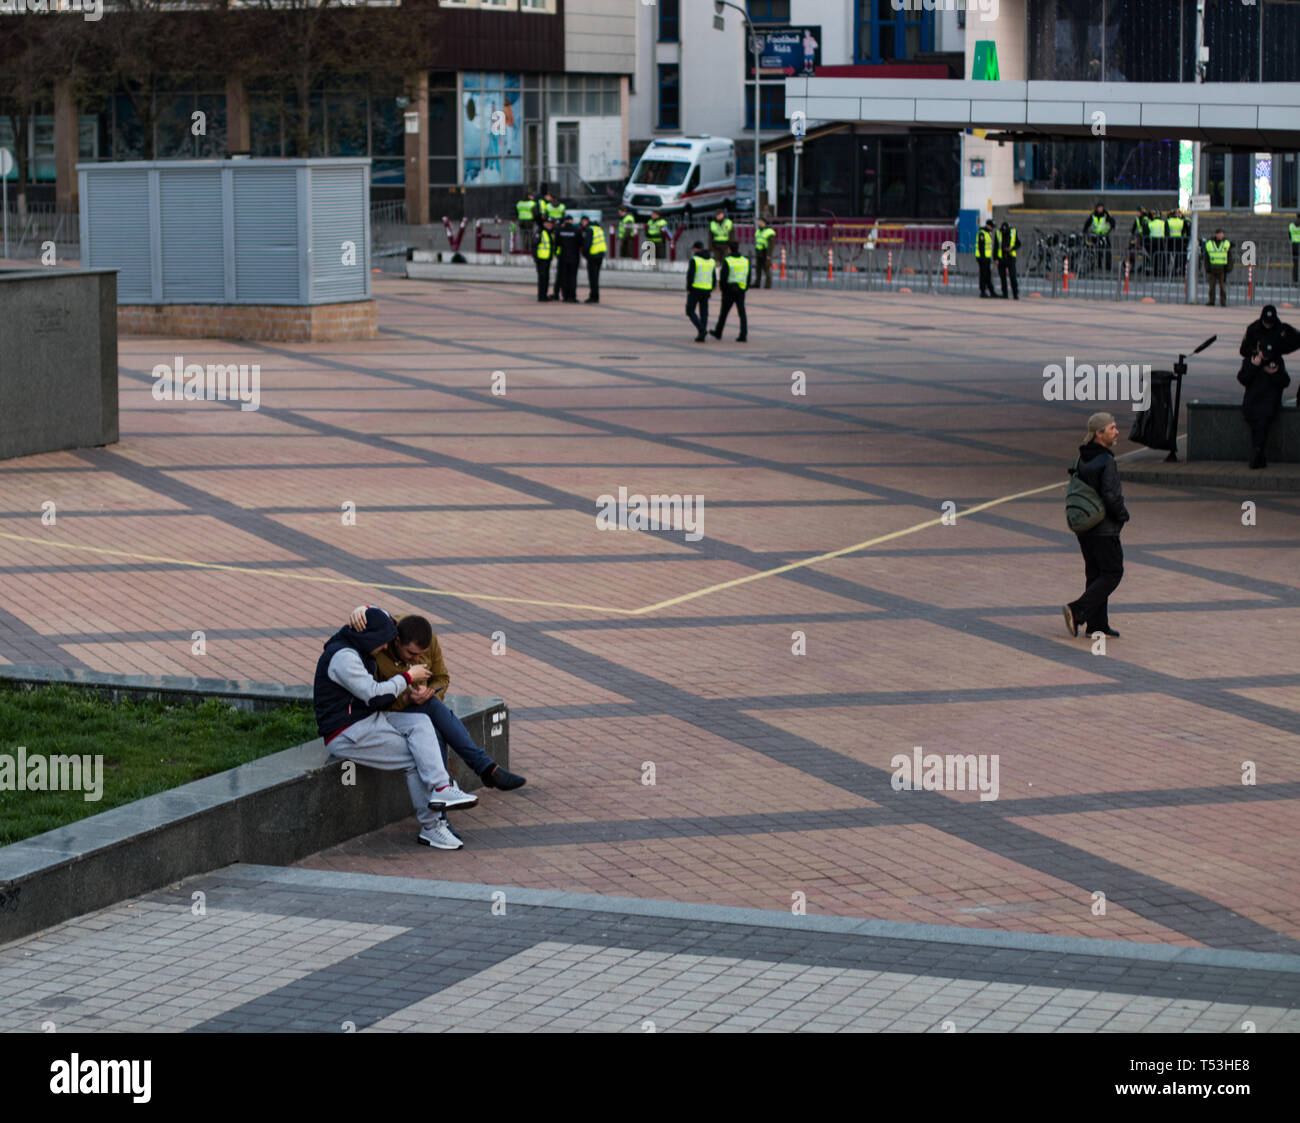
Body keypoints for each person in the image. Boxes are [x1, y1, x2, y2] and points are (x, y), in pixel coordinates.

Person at [313, 607, 476, 852]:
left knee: (421, 722)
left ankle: (442, 788)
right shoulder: (343, 658)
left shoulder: (359, 641)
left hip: (368, 720)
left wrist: (365, 608)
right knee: (413, 757)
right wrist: (408, 677)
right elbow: (374, 695)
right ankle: (431, 827)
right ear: (371, 638)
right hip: (346, 732)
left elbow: (384, 618)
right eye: (382, 644)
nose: (384, 649)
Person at [350, 606, 526, 798]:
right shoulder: (379, 647)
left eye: (420, 654)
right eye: (411, 654)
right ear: (397, 641)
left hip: (422, 710)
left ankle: (442, 812)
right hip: (387, 713)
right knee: (432, 715)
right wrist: (408, 698)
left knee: (434, 727)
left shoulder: (427, 639)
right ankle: (484, 770)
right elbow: (375, 698)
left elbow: (441, 677)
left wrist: (430, 692)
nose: (416, 659)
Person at [1063, 413, 1129, 640]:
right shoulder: (1106, 461)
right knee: (1112, 572)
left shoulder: (1082, 458)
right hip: (1103, 528)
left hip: (1085, 526)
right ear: (1099, 433)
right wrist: (1123, 515)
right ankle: (1078, 610)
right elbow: (1111, 496)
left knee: (1095, 574)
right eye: (1112, 428)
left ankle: (1097, 625)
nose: (1117, 431)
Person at [1237, 343, 1290, 470]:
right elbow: (1243, 378)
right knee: (1256, 428)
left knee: (1262, 425)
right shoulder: (1250, 361)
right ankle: (1259, 456)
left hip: (1269, 403)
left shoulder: (1277, 361)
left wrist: (1274, 373)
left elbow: (1285, 381)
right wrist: (1254, 366)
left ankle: (1257, 455)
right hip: (1252, 402)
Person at [710, 249, 749, 342]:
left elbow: (724, 277)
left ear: (729, 249)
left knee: (723, 313)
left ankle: (718, 332)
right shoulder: (745, 260)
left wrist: (723, 290)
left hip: (729, 290)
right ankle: (743, 334)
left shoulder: (728, 261)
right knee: (742, 313)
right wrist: (745, 287)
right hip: (741, 289)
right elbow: (748, 275)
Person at [685, 241, 715, 342]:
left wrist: (688, 288)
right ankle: (701, 334)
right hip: (706, 289)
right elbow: (714, 276)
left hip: (695, 288)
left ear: (697, 249)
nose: (693, 250)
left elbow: (690, 275)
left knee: (689, 310)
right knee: (704, 312)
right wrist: (712, 287)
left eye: (694, 248)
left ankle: (701, 330)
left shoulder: (695, 260)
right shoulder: (711, 260)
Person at [579, 215, 606, 303]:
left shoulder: (589, 230)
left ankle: (593, 297)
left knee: (592, 278)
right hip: (600, 255)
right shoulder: (599, 229)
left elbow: (587, 245)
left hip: (592, 256)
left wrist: (585, 255)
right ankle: (596, 296)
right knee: (596, 277)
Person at [555, 213, 581, 303]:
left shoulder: (560, 230)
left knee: (563, 277)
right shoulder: (576, 230)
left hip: (563, 257)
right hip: (574, 257)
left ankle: (565, 296)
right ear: (572, 221)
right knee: (572, 277)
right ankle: (572, 296)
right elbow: (580, 243)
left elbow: (556, 243)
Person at [1205, 228, 1231, 307]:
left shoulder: (1226, 243)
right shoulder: (1209, 243)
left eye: (1222, 233)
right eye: (1220, 233)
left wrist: (1229, 268)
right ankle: (1211, 301)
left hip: (1222, 268)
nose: (1221, 235)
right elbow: (1206, 257)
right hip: (1212, 267)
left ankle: (1223, 302)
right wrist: (1207, 268)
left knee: (1222, 286)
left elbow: (1229, 257)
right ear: (1216, 234)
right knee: (1211, 286)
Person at [1083, 203, 1113, 272]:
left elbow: (1111, 221)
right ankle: (1098, 265)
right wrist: (1085, 231)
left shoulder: (1106, 215)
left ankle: (1108, 266)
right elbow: (1087, 223)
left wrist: (1112, 227)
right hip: (1095, 235)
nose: (1100, 209)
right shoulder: (1093, 215)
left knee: (1107, 251)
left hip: (1104, 235)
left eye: (1101, 208)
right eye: (1099, 208)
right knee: (1096, 251)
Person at [534, 217, 555, 302]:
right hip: (541, 259)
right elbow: (534, 246)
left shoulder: (550, 233)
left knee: (546, 278)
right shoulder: (540, 232)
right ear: (544, 224)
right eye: (547, 223)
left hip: (548, 259)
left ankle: (544, 295)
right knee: (542, 278)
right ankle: (541, 296)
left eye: (551, 224)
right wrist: (536, 258)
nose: (549, 225)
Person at [996, 221, 1019, 300]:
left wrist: (1011, 249)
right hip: (1001, 257)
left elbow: (1018, 244)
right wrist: (995, 258)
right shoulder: (998, 233)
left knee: (1013, 276)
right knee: (1002, 277)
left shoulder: (1014, 232)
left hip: (1010, 257)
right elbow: (995, 246)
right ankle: (1005, 294)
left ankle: (1015, 294)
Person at [975, 218, 997, 298]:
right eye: (991, 226)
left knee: (988, 275)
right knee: (983, 275)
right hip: (982, 258)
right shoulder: (982, 233)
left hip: (987, 258)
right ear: (987, 225)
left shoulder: (988, 233)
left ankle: (991, 291)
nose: (992, 228)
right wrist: (983, 257)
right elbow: (981, 247)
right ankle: (983, 292)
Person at [754, 217, 775, 289]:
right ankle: (757, 283)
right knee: (758, 269)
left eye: (759, 221)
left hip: (765, 252)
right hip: (759, 251)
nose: (757, 222)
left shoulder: (769, 231)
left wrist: (769, 255)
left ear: (763, 222)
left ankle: (768, 285)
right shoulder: (758, 231)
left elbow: (771, 244)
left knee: (766, 269)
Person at [1166, 208, 1186, 277]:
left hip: (1170, 240)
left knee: (1169, 254)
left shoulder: (1168, 221)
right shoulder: (1181, 221)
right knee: (1178, 255)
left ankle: (1168, 269)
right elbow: (1183, 231)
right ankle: (1176, 268)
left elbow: (1166, 232)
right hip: (1179, 240)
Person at [1147, 209, 1166, 278]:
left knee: (1155, 258)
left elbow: (1147, 233)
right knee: (1163, 257)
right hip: (1161, 240)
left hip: (1153, 241)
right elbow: (1166, 232)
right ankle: (1164, 272)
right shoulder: (1163, 222)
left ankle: (1155, 273)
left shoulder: (1150, 223)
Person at [1290, 212, 1300, 284]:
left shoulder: (1291, 225)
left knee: (1295, 263)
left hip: (1294, 245)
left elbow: (1289, 236)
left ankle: (1295, 279)